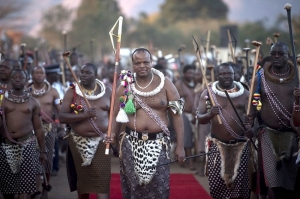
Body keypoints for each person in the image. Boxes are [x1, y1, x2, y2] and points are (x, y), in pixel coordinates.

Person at [111, 47, 185, 199]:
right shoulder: (125, 85)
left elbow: (177, 116)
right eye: (137, 63)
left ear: (152, 62)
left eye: (146, 62)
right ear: (132, 64)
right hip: (131, 143)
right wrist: (112, 135)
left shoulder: (166, 84)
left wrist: (180, 146)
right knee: (134, 186)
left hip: (159, 143)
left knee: (160, 187)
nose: (142, 66)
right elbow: (115, 113)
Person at [248, 41, 299, 199]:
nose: (276, 57)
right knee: (273, 182)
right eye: (273, 54)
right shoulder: (260, 76)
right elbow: (254, 103)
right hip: (268, 134)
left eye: (280, 54)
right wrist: (250, 123)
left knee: (291, 183)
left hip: (294, 134)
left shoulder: (298, 75)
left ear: (288, 56)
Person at [196, 62, 251, 198]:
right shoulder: (208, 93)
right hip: (217, 145)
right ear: (217, 75)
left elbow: (254, 117)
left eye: (229, 73)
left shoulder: (245, 94)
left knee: (239, 186)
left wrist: (252, 127)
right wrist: (210, 114)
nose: (226, 76)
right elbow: (200, 118)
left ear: (234, 75)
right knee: (216, 186)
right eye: (222, 74)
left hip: (241, 145)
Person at [59, 63, 112, 199]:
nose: (83, 75)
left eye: (87, 72)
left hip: (102, 142)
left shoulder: (107, 91)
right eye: (81, 72)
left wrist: (114, 138)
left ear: (96, 75)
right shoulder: (72, 92)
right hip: (78, 142)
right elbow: (62, 117)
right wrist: (84, 115)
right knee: (83, 183)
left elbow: (115, 117)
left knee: (102, 181)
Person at [0, 69, 46, 199]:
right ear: (11, 80)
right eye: (15, 77)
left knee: (25, 186)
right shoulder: (2, 100)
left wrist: (43, 150)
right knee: (7, 188)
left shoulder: (33, 102)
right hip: (5, 145)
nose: (18, 79)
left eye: (21, 77)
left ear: (26, 81)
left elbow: (38, 128)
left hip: (27, 144)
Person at [28, 66, 64, 199]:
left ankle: (45, 188)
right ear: (32, 75)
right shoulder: (27, 90)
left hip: (49, 130)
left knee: (47, 159)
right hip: (29, 130)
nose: (39, 75)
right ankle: (35, 189)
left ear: (45, 75)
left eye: (41, 73)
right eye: (36, 72)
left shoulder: (54, 92)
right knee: (32, 159)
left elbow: (60, 109)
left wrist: (62, 126)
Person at [175, 64, 196, 170]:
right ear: (184, 74)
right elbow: (176, 104)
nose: (191, 75)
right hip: (183, 114)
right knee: (186, 134)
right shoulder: (179, 85)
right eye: (188, 73)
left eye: (192, 73)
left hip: (196, 114)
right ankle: (190, 161)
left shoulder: (197, 84)